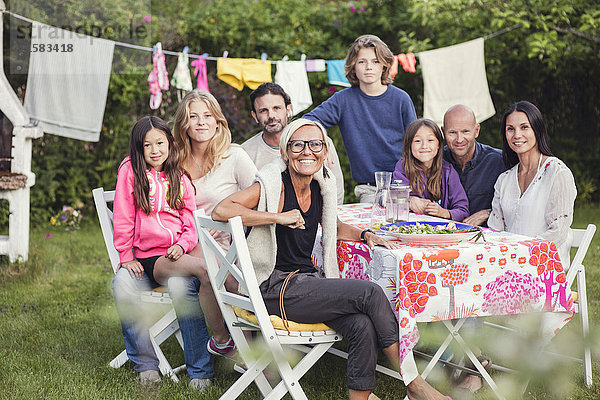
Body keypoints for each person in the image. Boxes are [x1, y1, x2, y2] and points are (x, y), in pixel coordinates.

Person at [212, 118, 450, 400]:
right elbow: (221, 210)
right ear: (286, 152)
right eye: (298, 145)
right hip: (274, 288)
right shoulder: (273, 184)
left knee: (362, 323)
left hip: (304, 282)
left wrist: (364, 235)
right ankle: (414, 383)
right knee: (371, 294)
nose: (307, 151)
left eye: (315, 144)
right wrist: (277, 217)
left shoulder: (318, 186)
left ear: (325, 152)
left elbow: (334, 227)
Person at [111, 116, 213, 390]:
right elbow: (122, 216)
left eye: (160, 143)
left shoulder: (179, 176)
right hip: (141, 261)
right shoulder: (130, 172)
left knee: (183, 290)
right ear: (138, 148)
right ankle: (146, 364)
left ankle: (200, 372)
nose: (155, 150)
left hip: (174, 258)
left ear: (169, 142)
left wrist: (182, 244)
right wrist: (126, 256)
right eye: (147, 145)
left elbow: (190, 221)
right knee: (121, 285)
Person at [169, 89, 257, 359]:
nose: (201, 122)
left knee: (234, 277)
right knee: (217, 270)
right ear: (184, 123)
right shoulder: (174, 162)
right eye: (193, 116)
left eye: (207, 116)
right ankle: (225, 341)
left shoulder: (234, 156)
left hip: (230, 240)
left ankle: (249, 351)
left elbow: (259, 194)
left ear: (218, 121)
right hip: (188, 241)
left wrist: (232, 215)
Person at [304, 34, 417, 203]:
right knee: (372, 228)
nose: (368, 67)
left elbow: (416, 141)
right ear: (353, 66)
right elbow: (307, 121)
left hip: (405, 185)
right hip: (369, 188)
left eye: (375, 61)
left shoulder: (401, 99)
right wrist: (322, 141)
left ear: (385, 65)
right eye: (362, 62)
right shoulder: (343, 100)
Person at [489, 100, 576, 265]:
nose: (517, 135)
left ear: (537, 129)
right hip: (508, 265)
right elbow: (495, 231)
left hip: (545, 267)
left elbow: (558, 232)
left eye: (524, 127)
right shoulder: (504, 180)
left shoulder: (557, 172)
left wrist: (520, 255)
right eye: (510, 129)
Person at [242, 82, 345, 204]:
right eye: (263, 111)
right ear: (254, 115)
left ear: (288, 109)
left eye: (277, 108)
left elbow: (336, 189)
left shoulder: (320, 143)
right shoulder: (245, 152)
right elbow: (247, 200)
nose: (271, 116)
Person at [392, 118, 469, 221]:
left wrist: (445, 213)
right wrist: (409, 200)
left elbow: (463, 210)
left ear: (438, 145)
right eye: (418, 141)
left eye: (430, 140)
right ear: (409, 145)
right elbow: (392, 199)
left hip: (439, 231)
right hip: (409, 227)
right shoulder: (403, 167)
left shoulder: (448, 171)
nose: (424, 146)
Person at [442, 104, 505, 226]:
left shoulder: (498, 161)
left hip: (486, 238)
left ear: (476, 131)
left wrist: (489, 213)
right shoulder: (435, 161)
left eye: (465, 131)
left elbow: (518, 206)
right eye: (452, 132)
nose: (459, 139)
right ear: (443, 132)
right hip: (441, 237)